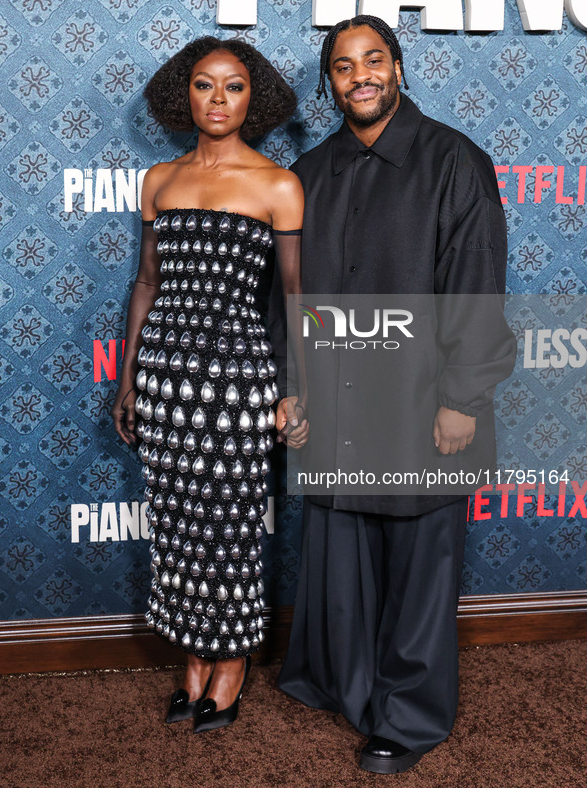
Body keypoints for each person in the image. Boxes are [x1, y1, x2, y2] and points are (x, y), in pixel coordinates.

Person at [273, 15, 516, 775]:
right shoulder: (310, 172)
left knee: (418, 569)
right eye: (342, 67)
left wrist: (462, 400)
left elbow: (475, 288)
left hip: (423, 402)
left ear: (399, 68)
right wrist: (295, 392)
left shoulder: (453, 161)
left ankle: (408, 719)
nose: (360, 76)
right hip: (340, 401)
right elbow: (291, 298)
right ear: (329, 83)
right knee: (341, 556)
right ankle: (342, 683)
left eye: (373, 60)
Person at [111, 36, 307, 733]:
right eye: (203, 85)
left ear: (255, 98)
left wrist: (295, 389)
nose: (217, 99)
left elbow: (291, 297)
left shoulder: (278, 185)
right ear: (182, 94)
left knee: (227, 529)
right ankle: (192, 657)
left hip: (236, 384)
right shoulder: (159, 179)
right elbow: (145, 285)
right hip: (165, 378)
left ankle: (230, 661)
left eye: (233, 86)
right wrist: (129, 377)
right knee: (176, 527)